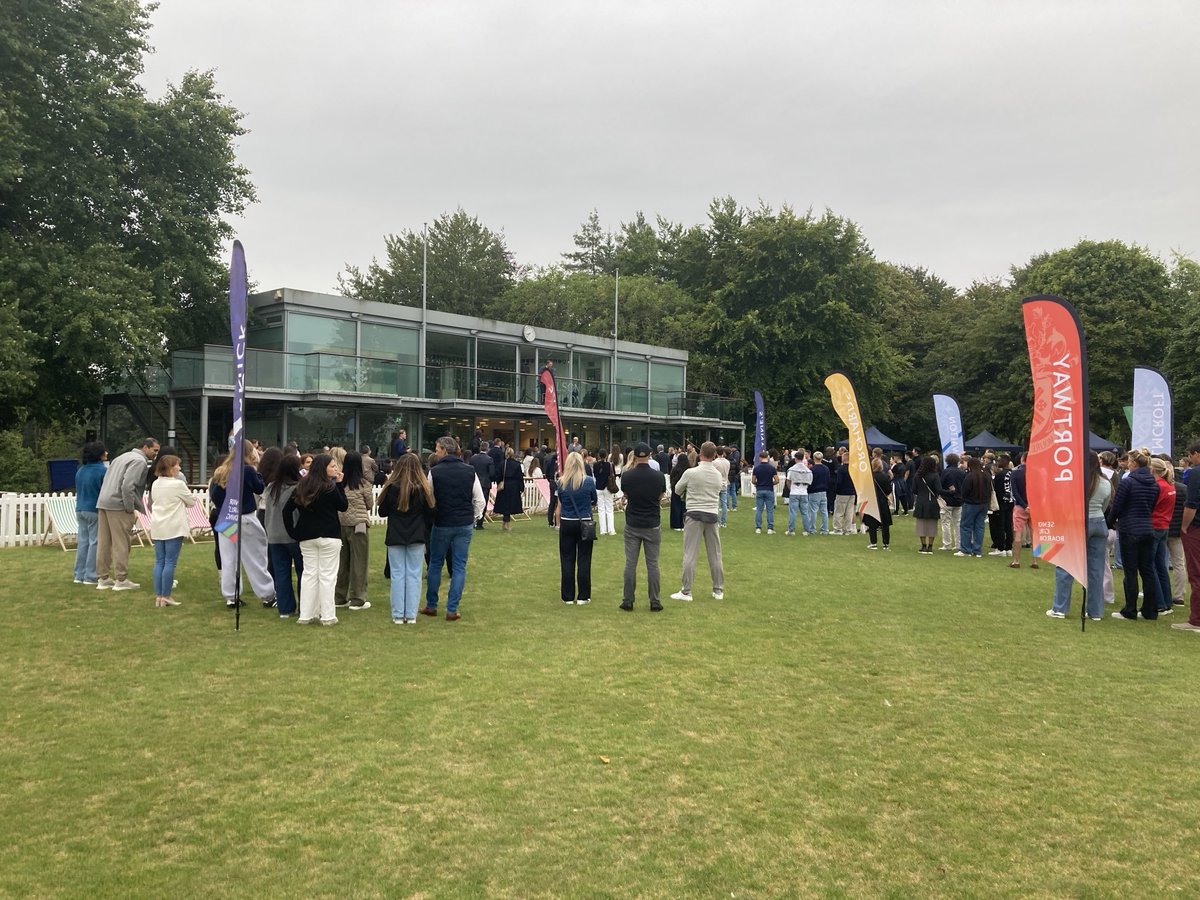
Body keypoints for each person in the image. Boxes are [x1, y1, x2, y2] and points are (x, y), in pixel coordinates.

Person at [421, 437, 485, 621]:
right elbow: (479, 500)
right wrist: (472, 517)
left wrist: (433, 514)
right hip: (463, 523)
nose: (436, 452)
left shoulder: (435, 472)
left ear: (445, 450)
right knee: (459, 566)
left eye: (437, 449)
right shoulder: (469, 471)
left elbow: (429, 498)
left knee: (435, 563)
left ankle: (432, 605)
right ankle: (452, 608)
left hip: (442, 522)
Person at [210, 442, 276, 610]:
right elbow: (260, 488)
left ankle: (231, 596)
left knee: (229, 559)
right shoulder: (247, 470)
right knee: (255, 557)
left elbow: (215, 496)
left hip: (226, 517)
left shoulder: (222, 471)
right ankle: (267, 594)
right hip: (245, 516)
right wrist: (256, 469)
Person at [284, 453, 347, 625]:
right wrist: (340, 485)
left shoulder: (302, 486)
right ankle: (327, 615)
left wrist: (293, 532)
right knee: (327, 576)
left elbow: (286, 510)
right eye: (332, 466)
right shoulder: (330, 488)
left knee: (310, 574)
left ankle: (306, 614)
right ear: (323, 468)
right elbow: (343, 506)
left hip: (307, 535)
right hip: (329, 535)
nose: (335, 468)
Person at [1047, 452, 1110, 620]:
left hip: (1076, 522)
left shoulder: (1074, 481)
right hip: (1098, 523)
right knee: (1096, 570)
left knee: (1066, 565)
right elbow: (1105, 505)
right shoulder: (1105, 482)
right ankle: (1095, 611)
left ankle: (1060, 608)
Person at [378, 452, 436, 625]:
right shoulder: (422, 489)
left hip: (395, 535)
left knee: (397, 575)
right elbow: (431, 512)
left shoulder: (391, 487)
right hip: (417, 535)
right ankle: (410, 615)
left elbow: (382, 512)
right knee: (414, 575)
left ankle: (398, 615)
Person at [95, 437, 159, 591]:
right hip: (119, 505)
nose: (155, 454)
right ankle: (121, 579)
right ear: (145, 447)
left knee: (104, 542)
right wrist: (129, 507)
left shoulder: (121, 457)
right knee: (122, 543)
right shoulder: (139, 461)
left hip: (104, 501)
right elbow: (127, 485)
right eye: (154, 450)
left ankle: (103, 578)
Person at [1109, 449, 1161, 621]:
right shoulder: (1153, 483)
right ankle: (1150, 610)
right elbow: (1152, 506)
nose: (1128, 464)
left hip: (1129, 529)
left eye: (1129, 461)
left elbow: (1117, 506)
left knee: (1130, 571)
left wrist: (1110, 522)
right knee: (1147, 571)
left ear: (1134, 464)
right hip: (1147, 528)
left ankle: (1130, 609)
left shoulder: (1128, 482)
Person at [671, 441, 725, 601]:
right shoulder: (717, 475)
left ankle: (686, 591)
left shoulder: (691, 473)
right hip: (712, 515)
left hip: (694, 514)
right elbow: (719, 489)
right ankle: (718, 590)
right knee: (715, 554)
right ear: (714, 455)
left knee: (690, 553)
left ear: (700, 454)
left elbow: (677, 489)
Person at [619, 442, 665, 612]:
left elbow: (626, 494)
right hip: (652, 523)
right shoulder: (659, 476)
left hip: (633, 523)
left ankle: (628, 600)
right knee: (652, 564)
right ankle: (655, 600)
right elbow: (661, 496)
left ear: (635, 456)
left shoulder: (627, 476)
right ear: (650, 454)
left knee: (630, 563)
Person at [148, 454, 195, 608]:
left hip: (158, 525)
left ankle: (159, 596)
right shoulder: (178, 485)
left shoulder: (155, 484)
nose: (179, 468)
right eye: (177, 465)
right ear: (170, 468)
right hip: (174, 526)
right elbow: (191, 501)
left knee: (160, 561)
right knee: (169, 562)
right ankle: (166, 595)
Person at [263, 454, 303, 618]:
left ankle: (285, 609)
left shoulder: (271, 487)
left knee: (281, 574)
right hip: (293, 535)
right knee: (303, 572)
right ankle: (304, 606)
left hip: (274, 535)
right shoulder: (298, 488)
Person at [555, 451, 597, 605]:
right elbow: (594, 499)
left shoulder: (561, 482)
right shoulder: (589, 482)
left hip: (567, 522)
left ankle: (567, 596)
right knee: (584, 558)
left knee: (567, 559)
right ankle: (583, 596)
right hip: (584, 521)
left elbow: (560, 500)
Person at [334, 451, 373, 611]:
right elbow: (369, 504)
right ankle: (357, 598)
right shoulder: (364, 484)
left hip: (341, 524)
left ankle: (339, 596)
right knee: (359, 562)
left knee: (341, 562)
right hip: (359, 525)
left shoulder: (339, 483)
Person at [1173, 441, 1200, 633]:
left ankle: (1196, 620)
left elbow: (1191, 504)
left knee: (1196, 572)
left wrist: (1183, 525)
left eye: (1190, 456)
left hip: (1196, 527)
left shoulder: (1195, 473)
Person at [73, 440, 107, 585]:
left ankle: (79, 575)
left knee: (83, 542)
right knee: (95, 542)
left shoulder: (81, 469)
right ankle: (91, 575)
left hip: (80, 508)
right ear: (99, 455)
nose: (106, 453)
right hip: (94, 509)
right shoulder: (102, 470)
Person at [1148, 457, 1176, 615]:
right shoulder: (1170, 485)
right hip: (1164, 526)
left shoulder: (1158, 486)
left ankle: (1159, 602)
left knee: (1150, 565)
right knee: (1160, 566)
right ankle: (1166, 600)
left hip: (1155, 525)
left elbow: (1151, 505)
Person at [957, 457, 994, 557]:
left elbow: (964, 491)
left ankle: (965, 549)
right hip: (983, 504)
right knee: (979, 527)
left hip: (970, 504)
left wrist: (964, 499)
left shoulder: (970, 477)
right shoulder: (986, 475)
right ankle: (977, 550)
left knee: (966, 526)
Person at [1008, 453, 1037, 569]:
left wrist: (1024, 505)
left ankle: (1016, 560)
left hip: (1020, 506)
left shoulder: (1015, 473)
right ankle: (1035, 560)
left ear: (1022, 459)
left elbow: (1015, 492)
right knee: (1036, 535)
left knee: (1018, 534)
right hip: (1035, 507)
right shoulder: (1037, 473)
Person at [912, 455, 944, 554]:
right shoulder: (935, 475)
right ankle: (930, 546)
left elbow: (914, 490)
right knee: (932, 524)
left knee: (921, 524)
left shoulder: (918, 475)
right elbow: (939, 490)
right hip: (932, 501)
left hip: (921, 500)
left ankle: (923, 546)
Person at [862, 458, 893, 550]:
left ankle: (873, 542)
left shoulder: (869, 477)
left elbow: (865, 489)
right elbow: (888, 490)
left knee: (872, 523)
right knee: (885, 524)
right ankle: (886, 543)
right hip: (882, 501)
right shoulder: (885, 477)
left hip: (872, 501)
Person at [493, 446, 524, 532]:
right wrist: (521, 487)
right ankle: (506, 524)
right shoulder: (517, 464)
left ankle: (504, 523)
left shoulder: (502, 464)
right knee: (510, 506)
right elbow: (520, 477)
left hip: (504, 486)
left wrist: (499, 482)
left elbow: (498, 475)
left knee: (504, 505)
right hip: (514, 486)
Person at [939, 453, 965, 551]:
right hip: (959, 500)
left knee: (946, 523)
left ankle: (947, 544)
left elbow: (940, 485)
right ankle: (958, 544)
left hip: (947, 500)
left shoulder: (945, 472)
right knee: (957, 523)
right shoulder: (962, 472)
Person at [784, 450, 812, 536]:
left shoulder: (792, 469)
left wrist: (790, 488)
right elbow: (810, 482)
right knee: (805, 512)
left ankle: (791, 530)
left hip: (794, 491)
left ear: (795, 459)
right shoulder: (808, 470)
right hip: (804, 492)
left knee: (793, 512)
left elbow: (788, 481)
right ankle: (806, 530)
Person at [752, 449, 778, 534]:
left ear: (760, 458)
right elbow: (777, 480)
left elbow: (753, 480)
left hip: (760, 489)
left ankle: (758, 528)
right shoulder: (772, 468)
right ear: (767, 457)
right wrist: (771, 483)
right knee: (770, 510)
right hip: (769, 489)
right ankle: (770, 528)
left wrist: (757, 484)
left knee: (759, 509)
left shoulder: (756, 468)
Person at [468, 444, 494, 529]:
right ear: (487, 449)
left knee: (472, 501)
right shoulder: (489, 459)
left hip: (473, 482)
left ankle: (471, 521)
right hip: (484, 483)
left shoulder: (473, 458)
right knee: (483, 503)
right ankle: (479, 523)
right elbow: (492, 473)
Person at [592, 448, 616, 536]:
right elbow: (613, 475)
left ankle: (603, 530)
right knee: (609, 509)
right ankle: (611, 530)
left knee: (601, 509)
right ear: (606, 456)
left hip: (598, 488)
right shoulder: (610, 465)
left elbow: (595, 475)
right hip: (608, 488)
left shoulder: (595, 465)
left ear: (599, 455)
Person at [807, 451, 831, 535]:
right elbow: (828, 480)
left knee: (813, 511)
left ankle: (812, 529)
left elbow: (810, 481)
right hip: (823, 491)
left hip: (814, 491)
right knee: (824, 511)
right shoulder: (826, 468)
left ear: (814, 458)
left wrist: (808, 490)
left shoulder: (812, 469)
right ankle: (824, 529)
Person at [668, 451, 692, 531]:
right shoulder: (689, 469)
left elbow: (671, 479)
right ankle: (684, 523)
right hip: (686, 490)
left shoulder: (675, 469)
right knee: (685, 507)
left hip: (676, 490)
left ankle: (676, 524)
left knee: (676, 507)